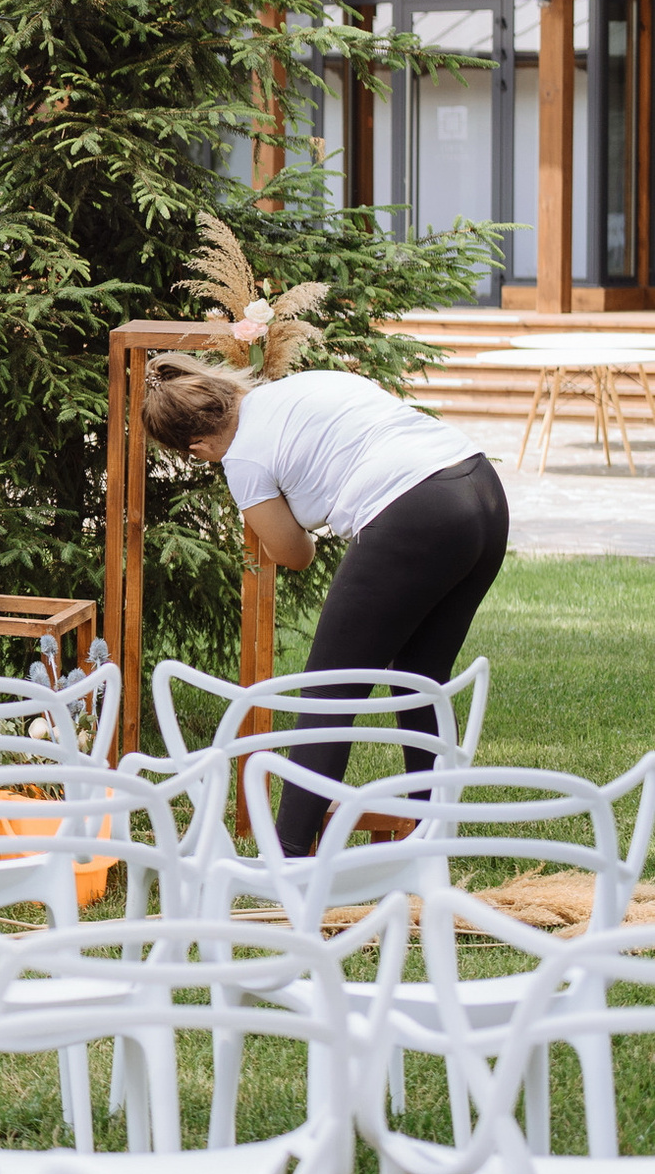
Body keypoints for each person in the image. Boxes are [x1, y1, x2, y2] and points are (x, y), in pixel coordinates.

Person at [143, 355, 506, 855]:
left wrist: (289, 514)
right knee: (421, 677)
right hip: (480, 487)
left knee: (324, 694)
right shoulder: (301, 386)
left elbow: (294, 554)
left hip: (415, 512)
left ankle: (288, 859)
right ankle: (430, 834)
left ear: (197, 445)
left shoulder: (242, 461)